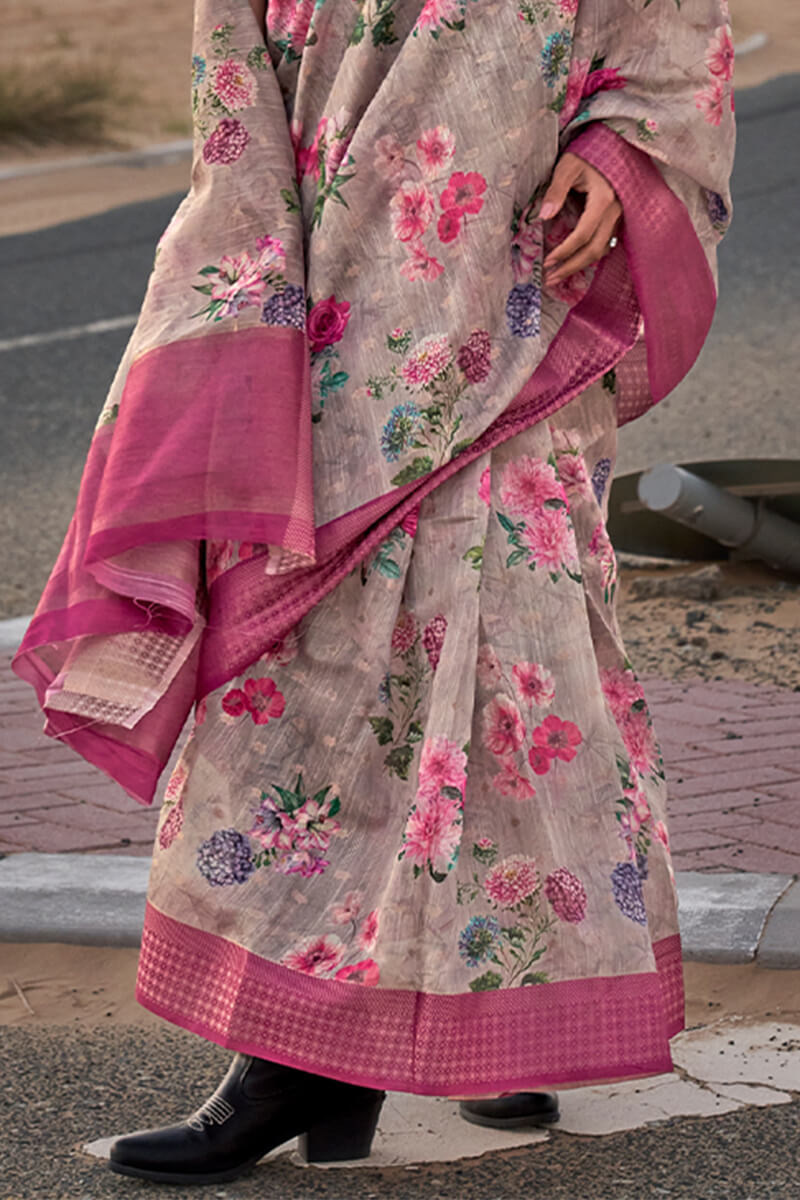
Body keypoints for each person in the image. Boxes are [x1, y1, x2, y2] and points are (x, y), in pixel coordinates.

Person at [12, 0, 735, 1184]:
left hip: (516, 330)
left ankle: (499, 1011)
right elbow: (235, 131)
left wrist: (616, 151)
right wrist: (231, 340)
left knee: (514, 681)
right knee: (318, 686)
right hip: (333, 342)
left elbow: (667, 37)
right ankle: (294, 1065)